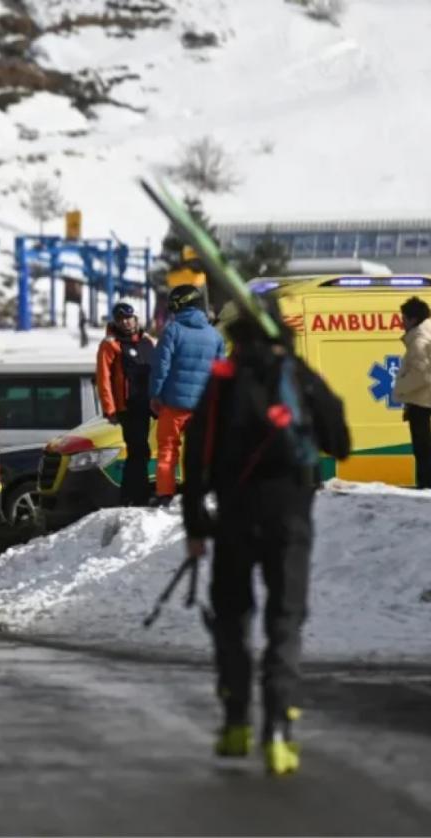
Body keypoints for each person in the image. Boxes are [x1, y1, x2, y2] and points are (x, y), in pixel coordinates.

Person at [182, 297, 350, 776]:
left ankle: (235, 724)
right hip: (291, 515)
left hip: (235, 514)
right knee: (284, 618)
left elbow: (196, 460)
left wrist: (196, 527)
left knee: (233, 616)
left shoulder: (222, 381)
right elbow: (340, 442)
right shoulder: (297, 377)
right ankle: (278, 729)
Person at [149, 284, 225, 504]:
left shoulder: (173, 331)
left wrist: (155, 395)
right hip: (203, 407)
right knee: (200, 451)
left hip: (173, 405)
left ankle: (165, 494)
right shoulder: (215, 335)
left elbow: (160, 367)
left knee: (167, 450)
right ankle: (199, 492)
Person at [96, 301, 156, 506]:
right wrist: (109, 408)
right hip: (127, 406)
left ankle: (136, 493)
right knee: (137, 449)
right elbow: (103, 377)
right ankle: (134, 495)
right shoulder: (110, 344)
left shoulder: (147, 340)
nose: (126, 323)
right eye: (121, 319)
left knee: (142, 449)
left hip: (146, 403)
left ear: (136, 319)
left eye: (129, 318)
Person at [393, 296, 431, 489]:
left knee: (422, 448)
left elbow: (422, 375)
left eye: (404, 318)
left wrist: (399, 389)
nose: (401, 322)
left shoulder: (419, 341)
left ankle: (425, 485)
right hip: (424, 400)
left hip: (421, 402)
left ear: (413, 320)